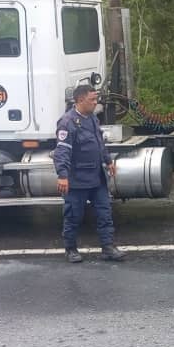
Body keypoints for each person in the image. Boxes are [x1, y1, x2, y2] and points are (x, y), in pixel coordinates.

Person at [54, 84, 125, 263]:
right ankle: (71, 249)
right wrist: (62, 175)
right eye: (92, 99)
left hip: (97, 176)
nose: (96, 102)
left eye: (96, 99)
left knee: (104, 212)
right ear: (79, 100)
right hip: (77, 179)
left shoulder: (92, 118)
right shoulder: (67, 122)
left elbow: (99, 143)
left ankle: (108, 247)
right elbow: (62, 151)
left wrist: (108, 161)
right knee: (73, 215)